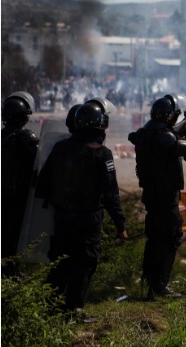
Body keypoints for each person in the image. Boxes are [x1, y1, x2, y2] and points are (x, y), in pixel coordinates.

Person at [34, 98, 127, 321]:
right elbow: (111, 194)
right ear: (100, 126)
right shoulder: (102, 154)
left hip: (62, 217)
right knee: (84, 263)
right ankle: (74, 310)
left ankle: (50, 308)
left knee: (61, 262)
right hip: (88, 219)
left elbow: (43, 183)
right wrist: (120, 225)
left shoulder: (60, 148)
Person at [128, 93, 186, 300]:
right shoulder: (164, 137)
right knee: (170, 238)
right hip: (165, 195)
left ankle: (150, 280)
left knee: (155, 238)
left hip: (152, 194)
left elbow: (171, 136)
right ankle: (159, 286)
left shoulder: (147, 133)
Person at [1, 92, 39, 272]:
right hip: (20, 196)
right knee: (15, 237)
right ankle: (11, 272)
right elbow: (39, 163)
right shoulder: (27, 138)